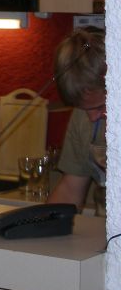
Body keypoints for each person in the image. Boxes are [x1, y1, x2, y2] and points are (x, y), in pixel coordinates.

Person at [48, 26, 106, 210]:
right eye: (83, 109)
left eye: (100, 107)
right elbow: (70, 190)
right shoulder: (83, 116)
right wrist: (40, 222)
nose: (92, 117)